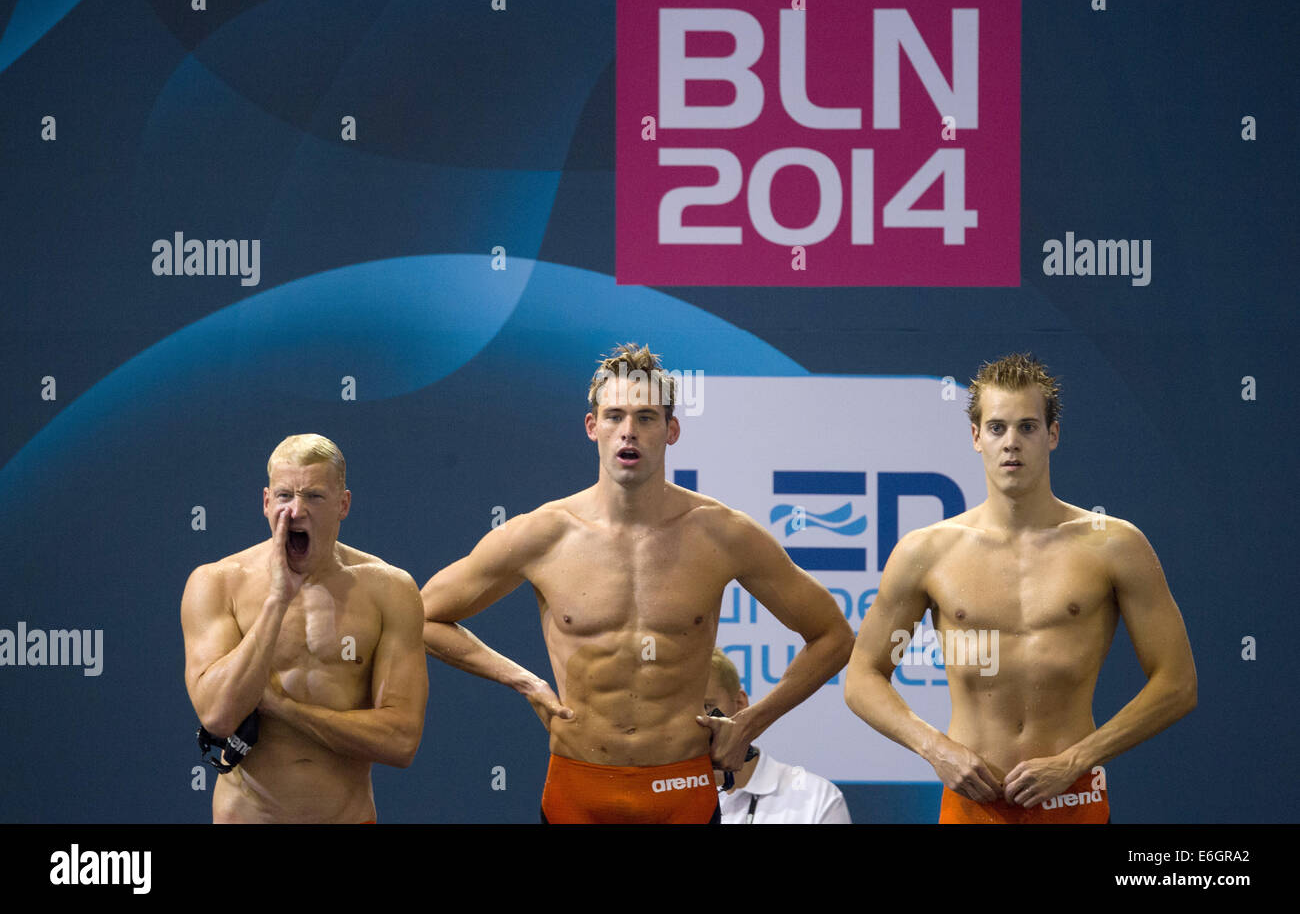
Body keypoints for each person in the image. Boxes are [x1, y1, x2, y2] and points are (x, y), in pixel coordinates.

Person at [422, 343, 854, 823]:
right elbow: (424, 615)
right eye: (614, 416)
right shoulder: (542, 533)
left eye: (646, 417)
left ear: (671, 431)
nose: (629, 431)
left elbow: (833, 635)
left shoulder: (723, 534)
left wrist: (750, 723)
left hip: (682, 790)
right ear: (593, 428)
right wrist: (524, 681)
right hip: (577, 789)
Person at [844, 354, 1196, 823]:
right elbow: (862, 677)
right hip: (972, 807)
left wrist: (1075, 760)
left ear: (1052, 435)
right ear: (976, 437)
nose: (1012, 443)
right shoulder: (926, 552)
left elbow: (1177, 684)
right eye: (997, 428)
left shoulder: (1114, 545)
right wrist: (936, 748)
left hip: (1074, 801)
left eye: (1028, 427)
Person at [181, 434, 428, 822]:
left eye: (314, 496)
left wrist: (287, 709)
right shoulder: (216, 583)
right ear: (265, 503)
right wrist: (277, 600)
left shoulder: (390, 590)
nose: (295, 511)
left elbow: (401, 740)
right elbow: (218, 716)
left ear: (343, 504)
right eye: (284, 496)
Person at [704, 648, 851, 823]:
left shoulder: (814, 799)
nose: (695, 721)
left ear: (740, 703)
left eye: (706, 706)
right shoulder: (665, 798)